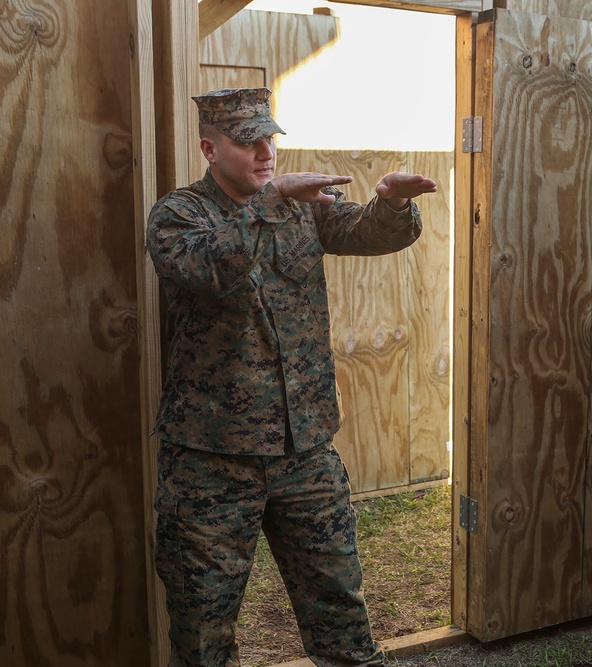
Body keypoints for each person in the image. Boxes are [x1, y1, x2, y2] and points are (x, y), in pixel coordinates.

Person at [146, 87, 437, 667]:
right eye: (246, 141)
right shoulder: (179, 215)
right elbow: (211, 268)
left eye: (269, 139)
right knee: (204, 628)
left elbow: (364, 232)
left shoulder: (299, 206)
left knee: (340, 612)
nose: (264, 153)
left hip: (305, 451)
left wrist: (393, 205)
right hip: (212, 460)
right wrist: (271, 199)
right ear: (209, 148)